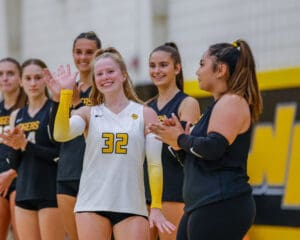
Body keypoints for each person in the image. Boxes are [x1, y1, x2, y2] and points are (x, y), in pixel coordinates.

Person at [49, 47, 176, 240]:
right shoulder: (87, 113)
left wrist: (156, 206)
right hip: (92, 204)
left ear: (123, 75)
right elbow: (61, 134)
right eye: (99, 74)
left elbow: (154, 164)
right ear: (95, 81)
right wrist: (66, 95)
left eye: (110, 71)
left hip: (131, 205)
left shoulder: (145, 113)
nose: (105, 77)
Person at [148, 39, 263, 240]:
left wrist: (181, 138)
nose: (197, 72)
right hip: (201, 204)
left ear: (221, 70)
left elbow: (213, 148)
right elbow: (198, 160)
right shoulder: (218, 104)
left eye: (202, 64)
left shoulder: (232, 101)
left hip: (221, 203)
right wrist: (176, 144)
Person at [0, 59, 65, 240]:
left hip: (49, 191)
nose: (33, 83)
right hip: (24, 192)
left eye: (38, 78)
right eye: (28, 78)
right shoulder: (16, 115)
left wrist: (25, 145)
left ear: (46, 80)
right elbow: (14, 161)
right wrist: (13, 145)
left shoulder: (55, 109)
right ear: (21, 82)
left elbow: (59, 155)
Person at [48, 31, 101, 240]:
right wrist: (56, 99)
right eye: (78, 52)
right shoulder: (66, 88)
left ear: (99, 54)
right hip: (67, 171)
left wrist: (77, 104)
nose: (83, 57)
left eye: (89, 52)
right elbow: (55, 135)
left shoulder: (104, 87)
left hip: (94, 173)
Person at [145, 42, 200, 240]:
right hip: (145, 190)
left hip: (174, 188)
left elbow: (186, 148)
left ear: (177, 68)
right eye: (152, 65)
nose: (156, 70)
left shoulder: (188, 103)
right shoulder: (145, 107)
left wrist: (168, 134)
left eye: (163, 65)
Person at [0, 57, 27, 240]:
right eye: (1, 74)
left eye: (10, 73)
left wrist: (12, 172)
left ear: (20, 78)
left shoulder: (29, 109)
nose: (5, 78)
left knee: (21, 235)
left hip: (21, 176)